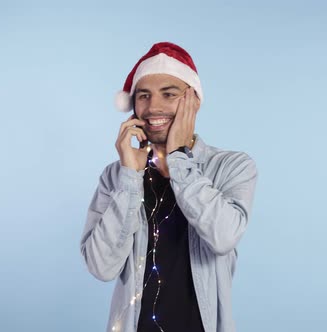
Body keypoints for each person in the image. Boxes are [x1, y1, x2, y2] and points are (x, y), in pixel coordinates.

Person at [80, 42, 257, 332]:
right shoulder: (115, 177)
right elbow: (101, 267)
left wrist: (178, 160)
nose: (154, 107)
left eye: (169, 94)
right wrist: (129, 177)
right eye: (143, 96)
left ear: (194, 101)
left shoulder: (232, 166)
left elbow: (224, 236)